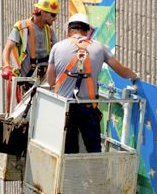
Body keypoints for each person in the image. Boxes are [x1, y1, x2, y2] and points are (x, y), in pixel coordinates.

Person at [45, 13, 138, 153]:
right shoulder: (100, 48)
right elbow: (123, 72)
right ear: (88, 31)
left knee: (69, 151)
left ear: (68, 31)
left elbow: (51, 81)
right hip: (88, 107)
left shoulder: (57, 48)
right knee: (94, 150)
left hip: (65, 108)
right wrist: (136, 76)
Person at [2, 0, 60, 89]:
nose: (55, 18)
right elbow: (7, 49)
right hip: (27, 82)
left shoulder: (49, 30)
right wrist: (6, 67)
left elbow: (59, 50)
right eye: (53, 15)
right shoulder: (22, 27)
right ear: (42, 12)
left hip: (43, 83)